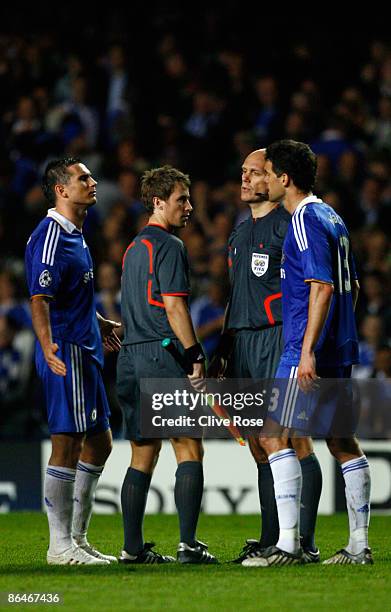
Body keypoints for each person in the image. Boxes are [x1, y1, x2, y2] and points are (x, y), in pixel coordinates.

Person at [243, 139, 371, 567]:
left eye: (268, 172)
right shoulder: (333, 217)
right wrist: (336, 339)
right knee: (340, 440)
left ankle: (289, 545)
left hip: (304, 346)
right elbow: (353, 287)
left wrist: (309, 350)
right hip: (339, 345)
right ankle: (358, 546)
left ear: (284, 178)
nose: (263, 179)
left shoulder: (303, 219)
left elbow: (322, 286)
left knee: (274, 436)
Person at [208, 149, 322, 564]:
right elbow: (237, 298)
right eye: (242, 172)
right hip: (243, 346)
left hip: (279, 340)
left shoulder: (290, 227)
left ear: (274, 179)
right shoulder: (239, 235)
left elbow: (312, 286)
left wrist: (307, 343)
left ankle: (303, 542)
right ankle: (270, 537)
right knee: (259, 445)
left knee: (293, 440)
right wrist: (222, 350)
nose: (245, 179)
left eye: (254, 173)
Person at [117, 165, 217, 564]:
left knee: (142, 455)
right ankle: (189, 545)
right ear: (158, 202)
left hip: (130, 356)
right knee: (189, 447)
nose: (189, 207)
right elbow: (174, 306)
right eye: (181, 199)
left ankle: (132, 549)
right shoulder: (169, 246)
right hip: (162, 355)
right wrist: (194, 353)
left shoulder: (132, 248)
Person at [25, 157, 121, 565]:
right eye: (83, 178)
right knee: (67, 443)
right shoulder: (49, 236)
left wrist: (97, 322)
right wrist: (48, 347)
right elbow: (39, 299)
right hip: (66, 351)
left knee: (100, 441)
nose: (92, 181)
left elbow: (68, 295)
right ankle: (59, 545)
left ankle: (77, 540)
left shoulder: (77, 234)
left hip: (84, 346)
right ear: (62, 190)